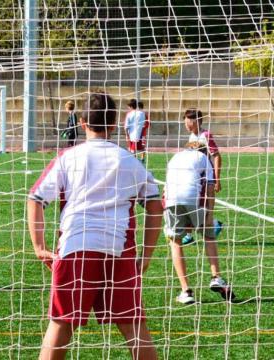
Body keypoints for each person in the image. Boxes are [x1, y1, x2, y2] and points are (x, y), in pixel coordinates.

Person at [27, 92, 162, 360]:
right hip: (118, 250)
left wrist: (39, 246)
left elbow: (36, 198)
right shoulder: (129, 161)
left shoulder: (68, 157)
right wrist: (146, 254)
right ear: (114, 124)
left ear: (81, 121)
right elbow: (156, 205)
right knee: (134, 326)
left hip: (75, 247)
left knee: (61, 322)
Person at [163, 141, 235, 304]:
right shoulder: (204, 158)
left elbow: (165, 188)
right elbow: (209, 188)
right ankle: (216, 277)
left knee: (176, 242)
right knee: (208, 236)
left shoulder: (175, 157)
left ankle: (186, 291)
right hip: (193, 196)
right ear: (204, 152)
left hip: (171, 199)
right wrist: (209, 213)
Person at [181, 109, 223, 245]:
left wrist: (217, 179)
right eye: (185, 122)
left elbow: (216, 156)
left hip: (206, 176)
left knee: (200, 205)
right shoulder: (192, 137)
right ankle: (189, 234)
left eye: (189, 122)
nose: (187, 125)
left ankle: (213, 225)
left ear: (197, 121)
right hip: (195, 176)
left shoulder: (205, 135)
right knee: (190, 203)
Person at [124, 99, 146, 163]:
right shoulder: (142, 113)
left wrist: (127, 136)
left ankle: (135, 163)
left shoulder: (129, 114)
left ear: (130, 106)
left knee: (132, 151)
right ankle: (142, 160)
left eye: (128, 107)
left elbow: (126, 127)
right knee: (141, 148)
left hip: (132, 135)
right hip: (140, 135)